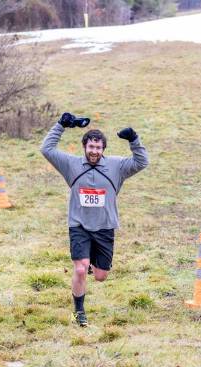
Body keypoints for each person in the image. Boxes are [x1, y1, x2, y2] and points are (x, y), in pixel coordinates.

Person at [41, 112, 149, 327]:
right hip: (79, 224)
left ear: (103, 149)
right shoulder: (71, 164)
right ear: (85, 147)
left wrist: (134, 140)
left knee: (100, 276)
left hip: (105, 227)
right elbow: (46, 149)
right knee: (80, 269)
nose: (94, 151)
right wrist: (61, 125)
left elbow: (142, 162)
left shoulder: (116, 166)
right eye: (91, 147)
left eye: (98, 148)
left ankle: (90, 261)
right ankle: (78, 312)